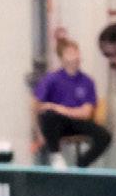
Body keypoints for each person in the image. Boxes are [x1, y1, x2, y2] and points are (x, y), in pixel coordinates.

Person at [34, 36, 111, 168]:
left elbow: (86, 113)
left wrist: (56, 107)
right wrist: (39, 132)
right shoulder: (51, 79)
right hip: (58, 124)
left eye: (77, 52)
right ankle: (56, 156)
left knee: (105, 136)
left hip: (78, 122)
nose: (75, 56)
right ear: (61, 58)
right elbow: (38, 106)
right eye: (70, 53)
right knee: (48, 115)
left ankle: (81, 164)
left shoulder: (87, 81)